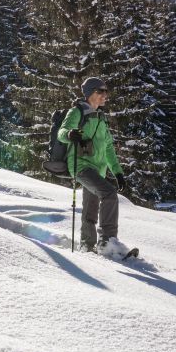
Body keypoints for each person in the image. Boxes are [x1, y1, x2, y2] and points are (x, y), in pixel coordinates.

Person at [57, 77, 129, 254]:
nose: (105, 95)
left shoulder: (102, 117)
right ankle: (108, 241)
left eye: (106, 91)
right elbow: (61, 132)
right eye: (101, 91)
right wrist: (70, 134)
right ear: (90, 94)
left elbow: (109, 148)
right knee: (109, 194)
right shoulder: (77, 112)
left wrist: (118, 173)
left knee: (90, 210)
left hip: (99, 170)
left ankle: (87, 246)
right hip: (81, 166)